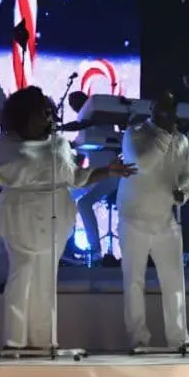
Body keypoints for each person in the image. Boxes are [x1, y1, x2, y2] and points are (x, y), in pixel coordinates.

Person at [0, 86, 136, 351]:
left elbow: (75, 177)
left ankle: (44, 340)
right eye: (43, 112)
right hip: (21, 215)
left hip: (55, 216)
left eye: (50, 112)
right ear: (25, 114)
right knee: (22, 275)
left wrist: (108, 171)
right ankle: (14, 341)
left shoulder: (59, 144)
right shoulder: (6, 145)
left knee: (46, 279)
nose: (50, 117)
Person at [117, 90, 189, 350]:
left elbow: (187, 173)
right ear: (151, 108)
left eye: (171, 108)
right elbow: (142, 163)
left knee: (174, 280)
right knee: (134, 281)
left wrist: (183, 192)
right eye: (161, 107)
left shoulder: (181, 140)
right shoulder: (135, 133)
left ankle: (179, 338)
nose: (166, 112)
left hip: (165, 219)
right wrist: (164, 135)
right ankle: (138, 338)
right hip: (133, 218)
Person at [67, 91, 120, 264]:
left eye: (77, 104)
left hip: (111, 174)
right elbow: (79, 158)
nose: (76, 108)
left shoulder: (101, 118)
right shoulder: (83, 129)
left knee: (83, 203)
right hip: (96, 175)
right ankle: (68, 244)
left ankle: (96, 251)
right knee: (65, 196)